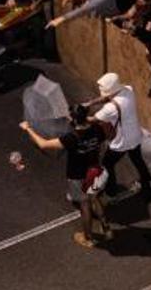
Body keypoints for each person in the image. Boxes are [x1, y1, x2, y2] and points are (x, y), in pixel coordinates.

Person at [20, 104, 111, 248]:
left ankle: (87, 237)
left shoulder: (71, 138)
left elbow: (43, 145)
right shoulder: (97, 129)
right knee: (95, 197)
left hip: (78, 176)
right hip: (94, 170)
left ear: (74, 120)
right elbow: (105, 138)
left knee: (85, 205)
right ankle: (106, 226)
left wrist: (28, 129)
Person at [91, 72, 151, 196]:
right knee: (137, 159)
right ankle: (148, 181)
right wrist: (91, 103)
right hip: (135, 135)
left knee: (107, 164)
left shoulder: (110, 108)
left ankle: (111, 191)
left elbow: (94, 119)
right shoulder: (129, 90)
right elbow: (107, 97)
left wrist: (80, 114)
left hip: (123, 141)